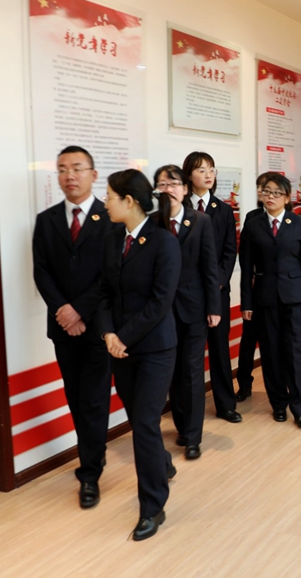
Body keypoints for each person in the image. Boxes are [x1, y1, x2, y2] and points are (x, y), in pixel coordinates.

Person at [97, 169, 181, 540]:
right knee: (139, 420)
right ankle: (162, 463)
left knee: (145, 422)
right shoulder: (112, 238)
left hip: (154, 349)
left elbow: (160, 302)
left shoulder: (164, 242)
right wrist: (107, 333)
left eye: (109, 196)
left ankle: (152, 506)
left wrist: (123, 337)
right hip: (121, 347)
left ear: (129, 201)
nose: (105, 202)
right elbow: (103, 292)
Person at [32, 145, 114, 510]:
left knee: (94, 399)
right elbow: (41, 272)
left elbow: (111, 274)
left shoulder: (110, 218)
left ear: (93, 174)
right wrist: (63, 310)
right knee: (76, 397)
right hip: (62, 328)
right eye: (63, 169)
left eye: (78, 168)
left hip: (99, 326)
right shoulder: (47, 220)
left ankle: (90, 474)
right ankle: (93, 453)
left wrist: (79, 309)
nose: (70, 175)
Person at [240, 173, 301, 428]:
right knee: (271, 353)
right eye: (266, 192)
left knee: (294, 354)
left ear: (287, 198)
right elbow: (246, 267)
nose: (270, 197)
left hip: (294, 298)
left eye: (276, 193)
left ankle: (300, 407)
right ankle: (278, 404)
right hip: (264, 298)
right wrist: (246, 303)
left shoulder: (300, 224)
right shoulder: (253, 225)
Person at [154, 165, 220, 461]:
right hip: (160, 311)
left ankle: (193, 436)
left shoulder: (201, 221)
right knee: (170, 372)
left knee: (192, 372)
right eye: (162, 184)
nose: (168, 189)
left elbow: (209, 266)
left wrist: (214, 307)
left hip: (193, 308)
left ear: (184, 189)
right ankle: (181, 426)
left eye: (173, 184)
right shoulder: (151, 222)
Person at [183, 151, 242, 423]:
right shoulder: (180, 207)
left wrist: (216, 281)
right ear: (188, 175)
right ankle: (186, 411)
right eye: (201, 170)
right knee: (187, 355)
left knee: (219, 350)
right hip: (185, 294)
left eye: (211, 169)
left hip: (216, 291)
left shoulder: (224, 210)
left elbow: (230, 252)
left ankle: (226, 405)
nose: (208, 175)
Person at [236, 172, 271, 401]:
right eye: (260, 188)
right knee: (248, 340)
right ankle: (244, 384)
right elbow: (245, 257)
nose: (262, 192)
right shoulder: (252, 217)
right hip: (256, 287)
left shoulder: (291, 219)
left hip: (277, 291)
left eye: (267, 188)